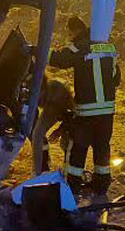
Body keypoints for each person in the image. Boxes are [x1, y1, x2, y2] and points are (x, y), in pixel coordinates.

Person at [49, 16, 119, 195]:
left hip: (86, 112)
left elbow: (60, 60)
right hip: (107, 112)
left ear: (76, 30)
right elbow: (116, 79)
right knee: (102, 146)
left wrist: (36, 51)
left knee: (78, 148)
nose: (70, 36)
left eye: (70, 32)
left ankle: (72, 186)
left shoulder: (80, 47)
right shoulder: (109, 48)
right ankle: (101, 184)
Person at [31, 78, 74, 174]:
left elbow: (74, 116)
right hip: (54, 103)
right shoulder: (46, 96)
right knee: (37, 134)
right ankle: (39, 172)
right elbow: (38, 134)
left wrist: (61, 129)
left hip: (74, 116)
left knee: (68, 141)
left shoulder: (60, 96)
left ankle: (71, 171)